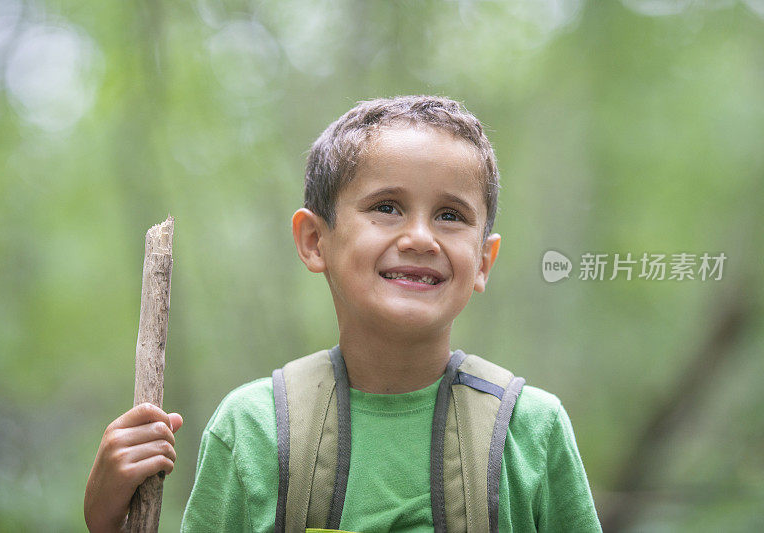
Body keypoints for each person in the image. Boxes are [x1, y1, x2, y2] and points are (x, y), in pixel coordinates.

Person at [85, 95, 602, 532]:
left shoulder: (530, 431)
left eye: (450, 215)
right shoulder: (255, 429)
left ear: (483, 262)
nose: (420, 238)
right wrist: (109, 518)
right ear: (315, 241)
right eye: (387, 207)